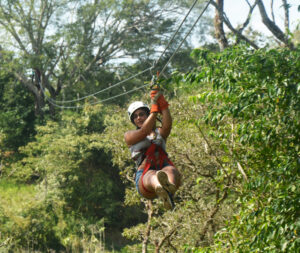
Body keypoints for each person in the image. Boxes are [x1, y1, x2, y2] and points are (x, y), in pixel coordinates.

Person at [124, 88, 181, 210]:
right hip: (144, 176)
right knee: (152, 175)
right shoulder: (130, 136)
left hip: (164, 167)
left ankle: (168, 186)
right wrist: (154, 109)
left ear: (147, 114)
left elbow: (167, 126)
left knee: (172, 170)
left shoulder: (158, 132)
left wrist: (163, 103)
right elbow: (144, 131)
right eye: (135, 116)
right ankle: (159, 186)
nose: (138, 118)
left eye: (141, 114)